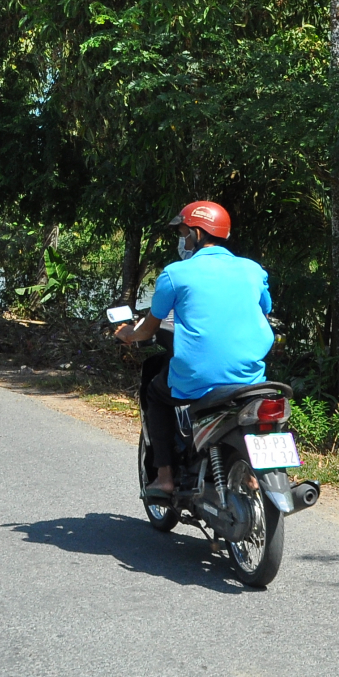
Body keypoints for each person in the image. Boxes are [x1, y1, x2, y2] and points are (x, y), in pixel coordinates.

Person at [115, 200, 274, 500]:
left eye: (183, 232)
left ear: (197, 234)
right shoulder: (253, 270)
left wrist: (128, 335)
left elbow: (148, 329)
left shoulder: (176, 274)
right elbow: (264, 311)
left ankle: (164, 478)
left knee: (155, 394)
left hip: (198, 377)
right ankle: (251, 477)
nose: (181, 239)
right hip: (251, 378)